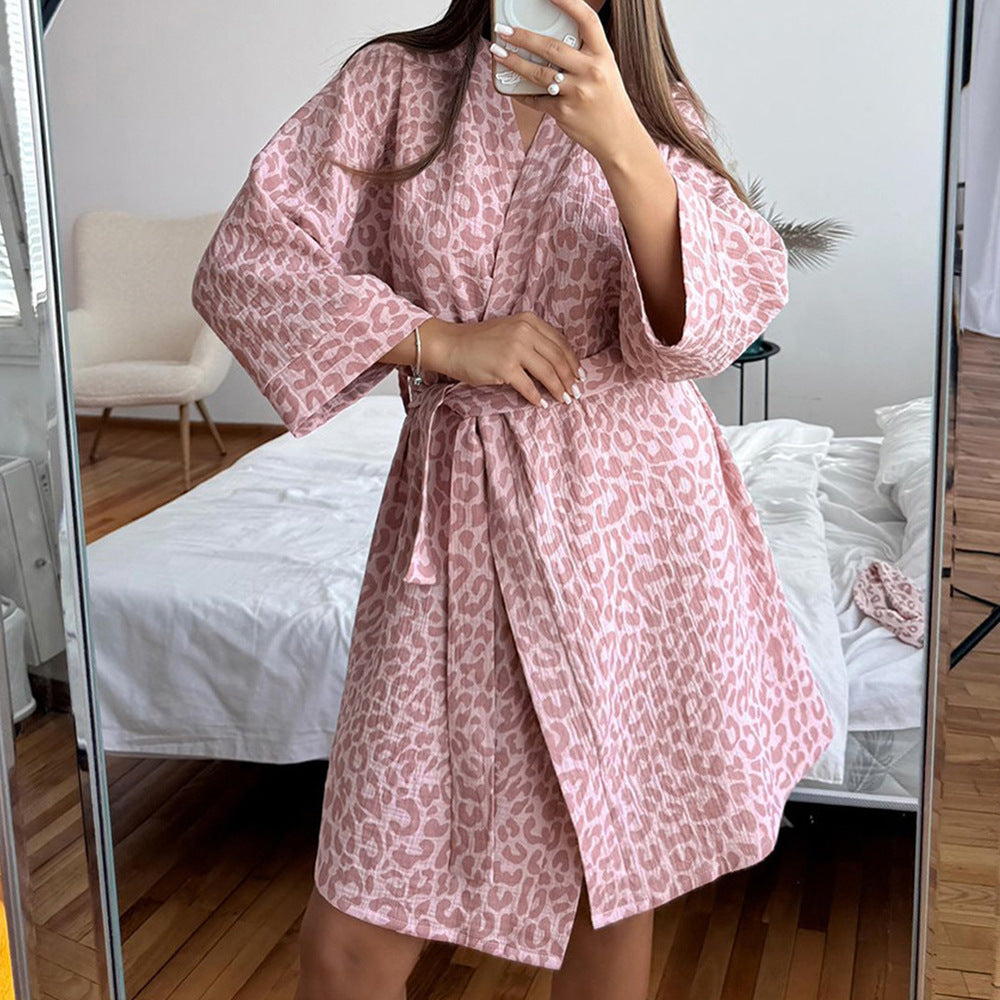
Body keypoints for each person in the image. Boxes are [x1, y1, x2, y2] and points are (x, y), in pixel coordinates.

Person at [190, 0, 836, 997]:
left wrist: (625, 143)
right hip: (454, 522)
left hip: (630, 528)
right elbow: (244, 263)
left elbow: (705, 334)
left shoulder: (653, 106)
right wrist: (434, 340)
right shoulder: (394, 86)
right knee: (353, 933)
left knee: (608, 885)